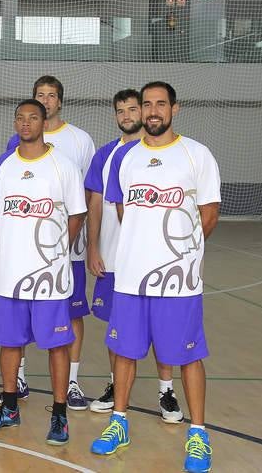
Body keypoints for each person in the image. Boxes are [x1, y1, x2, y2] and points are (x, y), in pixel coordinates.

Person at [90, 82, 220, 473]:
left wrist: (180, 254)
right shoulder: (126, 158)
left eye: (160, 104)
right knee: (125, 352)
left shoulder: (196, 155)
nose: (152, 111)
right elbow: (122, 211)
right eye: (147, 104)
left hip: (178, 282)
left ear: (174, 109)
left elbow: (208, 213)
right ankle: (119, 423)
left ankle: (197, 434)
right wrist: (140, 249)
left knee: (188, 356)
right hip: (130, 279)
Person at [0, 99, 86, 447]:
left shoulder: (63, 166)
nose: (26, 124)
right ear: (14, 123)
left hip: (50, 278)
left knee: (57, 345)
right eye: (20, 118)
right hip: (11, 275)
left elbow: (77, 214)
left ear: (44, 121)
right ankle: (9, 408)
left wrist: (56, 251)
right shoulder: (3, 167)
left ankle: (59, 414)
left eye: (33, 118)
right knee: (10, 343)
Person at [85, 89, 182, 422]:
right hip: (114, 259)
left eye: (131, 109)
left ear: (142, 112)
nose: (126, 115)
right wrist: (93, 246)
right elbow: (95, 204)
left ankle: (166, 391)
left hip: (155, 259)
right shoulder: (106, 155)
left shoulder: (161, 153)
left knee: (161, 329)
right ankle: (116, 387)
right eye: (120, 110)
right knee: (116, 328)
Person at [5, 75, 94, 408]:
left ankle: (71, 383)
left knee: (72, 313)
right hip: (27, 254)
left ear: (60, 101)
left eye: (51, 95)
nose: (45, 100)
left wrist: (62, 245)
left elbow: (84, 195)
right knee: (21, 317)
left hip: (67, 250)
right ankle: (20, 378)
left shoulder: (79, 140)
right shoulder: (15, 145)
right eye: (39, 95)